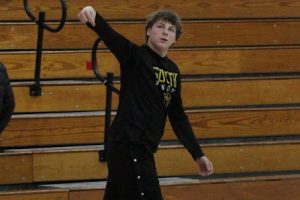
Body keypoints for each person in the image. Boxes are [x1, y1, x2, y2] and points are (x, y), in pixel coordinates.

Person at [78, 6, 213, 200]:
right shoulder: (135, 56)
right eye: (160, 26)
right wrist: (93, 15)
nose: (165, 32)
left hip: (142, 148)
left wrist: (197, 154)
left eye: (171, 30)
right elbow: (112, 36)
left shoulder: (173, 71)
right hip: (129, 144)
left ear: (175, 40)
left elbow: (178, 117)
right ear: (148, 30)